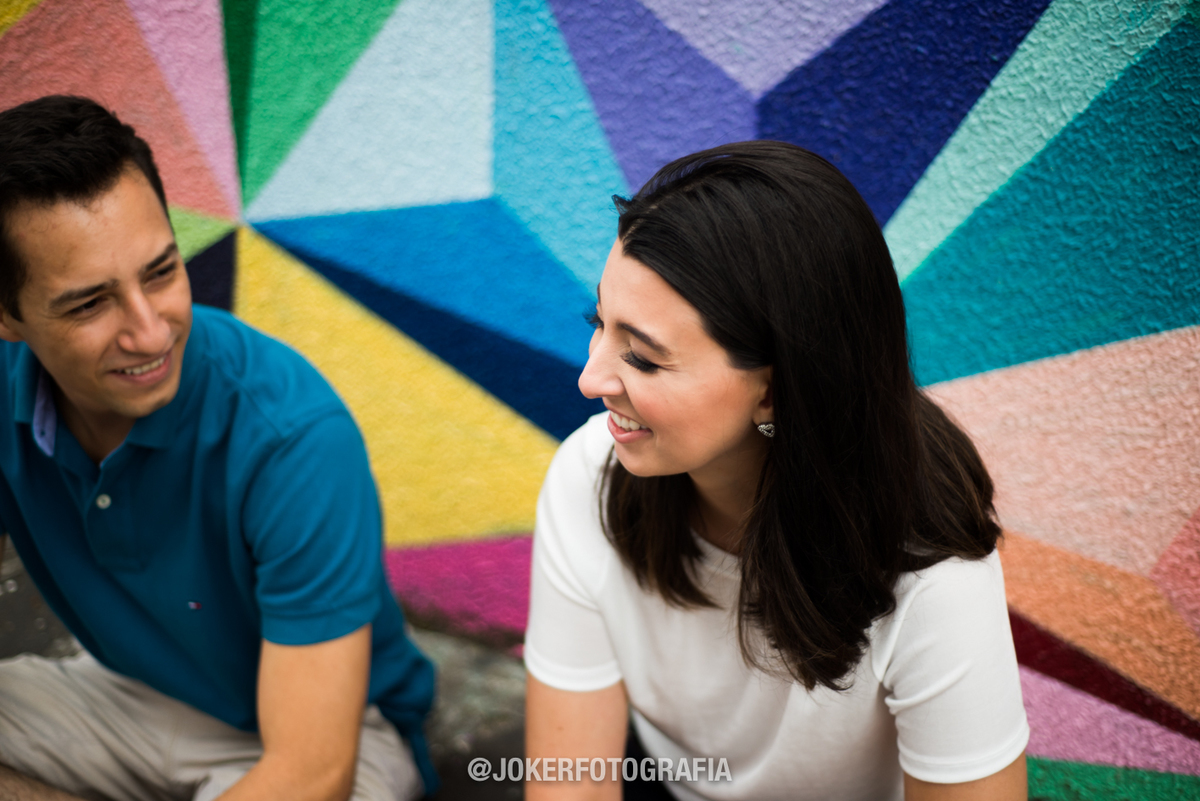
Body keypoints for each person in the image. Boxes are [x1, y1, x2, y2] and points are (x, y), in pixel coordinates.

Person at [523, 141, 1029, 801]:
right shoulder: (591, 475)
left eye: (644, 358)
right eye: (600, 321)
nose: (590, 379)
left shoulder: (931, 572)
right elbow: (572, 787)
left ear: (775, 389)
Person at [0, 95, 435, 801]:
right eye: (89, 303)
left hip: (335, 735)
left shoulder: (292, 436)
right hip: (134, 694)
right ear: (8, 317)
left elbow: (312, 772)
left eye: (162, 271)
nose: (150, 331)